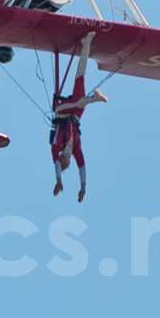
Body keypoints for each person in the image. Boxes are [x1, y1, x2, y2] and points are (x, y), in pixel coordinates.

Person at [51, 32, 107, 202]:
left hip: (61, 111)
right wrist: (83, 187)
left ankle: (93, 99)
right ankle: (87, 44)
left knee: (79, 104)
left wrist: (59, 180)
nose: (63, 162)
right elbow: (82, 167)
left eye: (62, 162)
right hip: (76, 113)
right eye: (66, 164)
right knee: (80, 75)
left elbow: (55, 165)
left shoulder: (56, 147)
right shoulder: (76, 149)